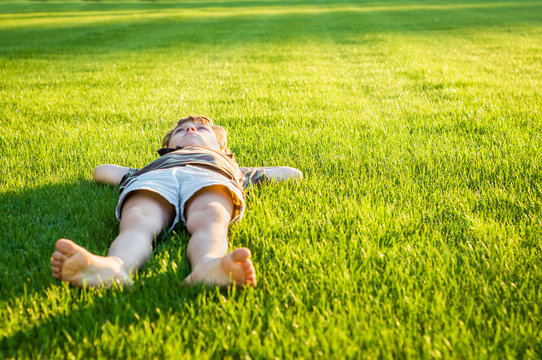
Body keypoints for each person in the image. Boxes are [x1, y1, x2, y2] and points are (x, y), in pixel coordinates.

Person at [50, 115, 302, 288]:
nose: (190, 130)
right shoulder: (153, 165)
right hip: (157, 178)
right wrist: (135, 174)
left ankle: (208, 265)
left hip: (210, 176)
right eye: (181, 131)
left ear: (222, 148)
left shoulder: (229, 165)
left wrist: (240, 171)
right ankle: (115, 267)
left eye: (201, 129)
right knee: (138, 220)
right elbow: (101, 170)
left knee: (211, 217)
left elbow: (292, 173)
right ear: (168, 148)